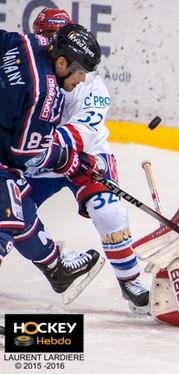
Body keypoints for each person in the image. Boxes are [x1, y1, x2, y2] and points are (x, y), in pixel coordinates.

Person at [26, 8, 149, 313]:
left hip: (83, 156)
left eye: (53, 36)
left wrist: (56, 152)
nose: (48, 43)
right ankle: (56, 262)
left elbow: (85, 131)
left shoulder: (88, 80)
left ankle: (130, 280)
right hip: (38, 155)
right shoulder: (27, 70)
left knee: (108, 213)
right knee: (12, 214)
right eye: (43, 35)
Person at [0, 22, 105, 302]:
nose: (81, 80)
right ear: (61, 62)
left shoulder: (25, 42)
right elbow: (23, 154)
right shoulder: (45, 95)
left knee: (19, 202)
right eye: (80, 71)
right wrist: (69, 161)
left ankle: (56, 268)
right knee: (5, 220)